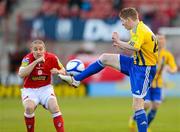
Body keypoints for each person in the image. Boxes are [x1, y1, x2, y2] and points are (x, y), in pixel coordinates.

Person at [59, 7, 158, 132]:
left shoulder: (140, 30)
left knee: (138, 105)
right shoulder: (138, 28)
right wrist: (121, 45)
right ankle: (76, 80)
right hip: (135, 63)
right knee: (105, 58)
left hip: (144, 70)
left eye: (122, 21)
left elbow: (136, 48)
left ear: (128, 19)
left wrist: (119, 41)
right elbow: (138, 48)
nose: (122, 24)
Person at [129, 35, 177, 132]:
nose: (161, 41)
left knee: (156, 106)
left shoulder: (167, 55)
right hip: (147, 82)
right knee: (146, 105)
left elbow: (174, 67)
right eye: (158, 39)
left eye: (162, 39)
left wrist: (171, 70)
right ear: (155, 41)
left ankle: (146, 126)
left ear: (165, 41)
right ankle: (134, 119)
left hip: (158, 84)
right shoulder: (149, 51)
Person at [18, 40, 65, 132]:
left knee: (55, 107)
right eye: (35, 49)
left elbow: (63, 70)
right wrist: (36, 62)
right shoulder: (27, 59)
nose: (38, 52)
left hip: (45, 89)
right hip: (30, 90)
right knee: (29, 108)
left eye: (40, 49)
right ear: (32, 50)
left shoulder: (52, 57)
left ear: (44, 50)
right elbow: (21, 74)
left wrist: (58, 71)